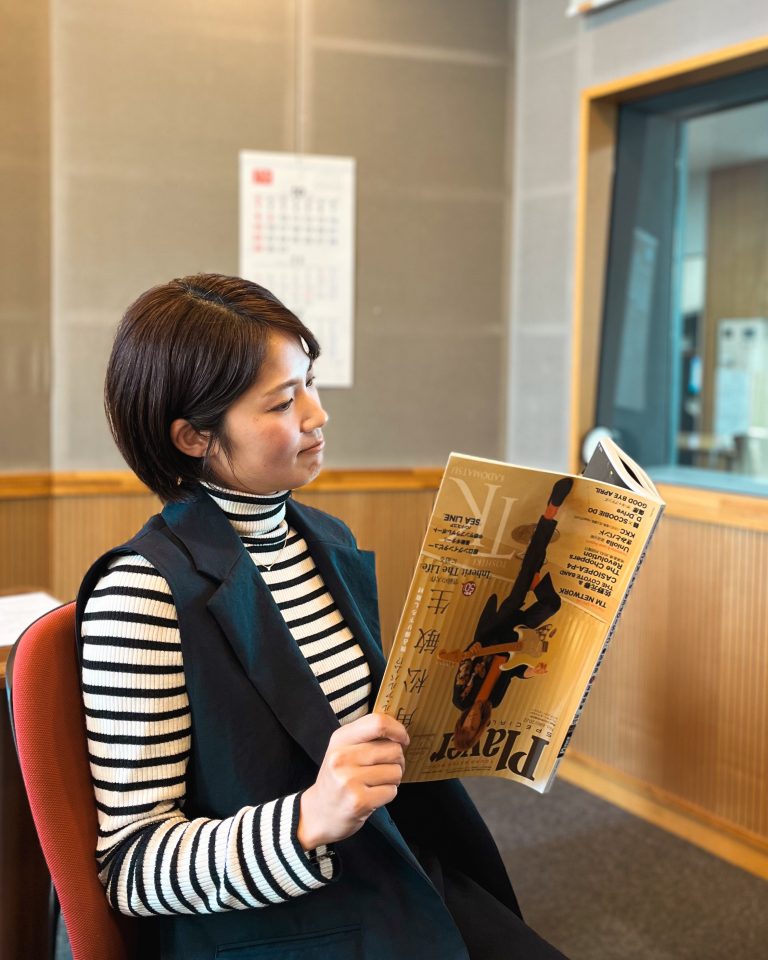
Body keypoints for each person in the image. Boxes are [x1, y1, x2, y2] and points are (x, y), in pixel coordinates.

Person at [77, 274, 569, 959]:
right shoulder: (141, 593)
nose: (317, 415)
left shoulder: (324, 539)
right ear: (193, 437)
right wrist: (308, 819)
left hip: (388, 867)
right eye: (283, 401)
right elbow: (132, 868)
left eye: (310, 383)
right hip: (277, 923)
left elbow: (354, 735)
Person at [447, 477, 574, 752]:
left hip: (494, 631)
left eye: (465, 726)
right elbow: (511, 672)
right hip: (513, 639)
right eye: (473, 728)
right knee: (551, 605)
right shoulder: (494, 702)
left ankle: (550, 512)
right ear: (479, 728)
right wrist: (532, 672)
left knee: (521, 585)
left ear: (460, 723)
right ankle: (536, 581)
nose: (470, 722)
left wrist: (475, 649)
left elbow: (466, 662)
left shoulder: (461, 699)